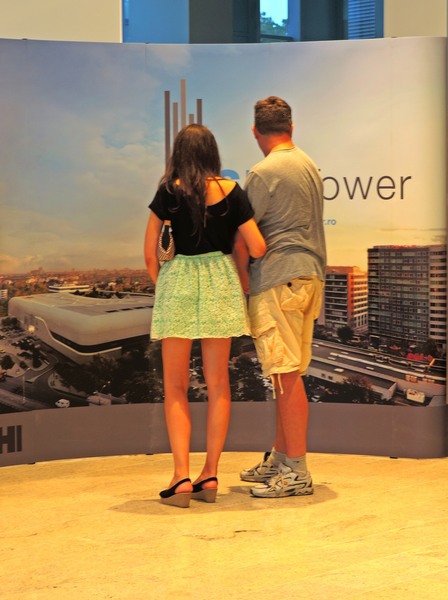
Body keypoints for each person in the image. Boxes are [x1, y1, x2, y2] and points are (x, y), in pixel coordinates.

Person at [144, 123, 266, 508]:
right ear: (213, 152)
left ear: (179, 153)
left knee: (175, 386)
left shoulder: (169, 191)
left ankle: (180, 477)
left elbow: (150, 254)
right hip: (220, 282)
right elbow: (258, 246)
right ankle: (210, 474)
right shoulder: (233, 191)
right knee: (219, 386)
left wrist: (165, 287)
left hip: (178, 281)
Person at [234, 96, 326, 498]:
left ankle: (297, 472)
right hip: (309, 278)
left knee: (285, 377)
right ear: (291, 127)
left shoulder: (263, 172)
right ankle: (281, 457)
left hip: (277, 279)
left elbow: (245, 236)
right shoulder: (308, 165)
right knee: (287, 375)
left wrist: (243, 282)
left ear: (256, 132)